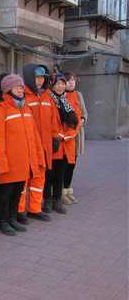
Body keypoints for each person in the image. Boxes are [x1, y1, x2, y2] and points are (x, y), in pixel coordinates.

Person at [0, 74, 45, 236]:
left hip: (24, 162)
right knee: (4, 195)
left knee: (16, 193)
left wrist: (37, 158)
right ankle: (1, 222)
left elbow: (34, 136)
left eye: (21, 86)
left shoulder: (26, 108)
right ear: (8, 89)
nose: (21, 89)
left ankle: (12, 218)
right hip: (8, 164)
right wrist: (0, 165)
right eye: (17, 87)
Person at [17, 64, 55, 220]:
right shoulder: (22, 96)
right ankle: (19, 210)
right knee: (24, 179)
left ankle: (34, 208)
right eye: (36, 78)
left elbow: (53, 120)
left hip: (44, 146)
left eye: (42, 78)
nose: (40, 81)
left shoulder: (47, 96)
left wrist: (54, 138)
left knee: (39, 178)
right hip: (29, 145)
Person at [45, 72, 78, 214]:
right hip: (52, 144)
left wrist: (67, 136)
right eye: (58, 83)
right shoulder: (47, 99)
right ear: (52, 85)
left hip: (65, 144)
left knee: (60, 174)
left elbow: (75, 122)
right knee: (49, 174)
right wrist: (56, 135)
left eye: (63, 83)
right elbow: (45, 122)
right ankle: (47, 200)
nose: (61, 86)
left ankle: (57, 200)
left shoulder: (66, 100)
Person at [62, 72, 87, 204]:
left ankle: (67, 190)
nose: (71, 82)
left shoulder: (78, 95)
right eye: (68, 80)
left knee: (72, 165)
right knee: (64, 165)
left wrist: (82, 119)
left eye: (73, 80)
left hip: (77, 136)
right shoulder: (61, 96)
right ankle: (60, 192)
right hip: (66, 137)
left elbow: (84, 112)